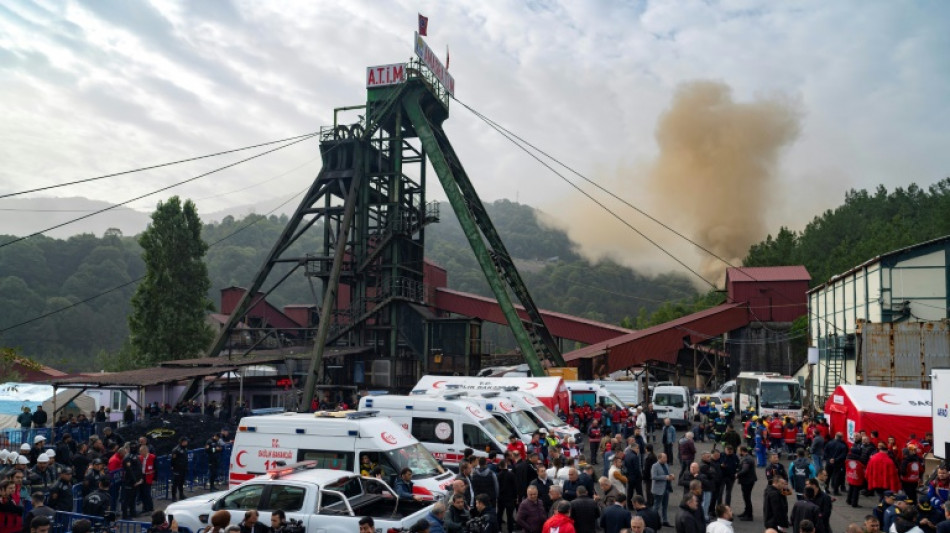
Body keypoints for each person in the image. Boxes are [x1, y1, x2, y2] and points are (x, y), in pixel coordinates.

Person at [651, 452, 675, 527]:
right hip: (658, 490)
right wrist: (665, 477)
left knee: (665, 506)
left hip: (666, 489)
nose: (666, 459)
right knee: (656, 506)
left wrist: (671, 476)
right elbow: (654, 477)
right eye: (664, 458)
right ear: (659, 458)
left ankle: (665, 520)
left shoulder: (666, 465)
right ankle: (653, 521)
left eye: (666, 457)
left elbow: (667, 474)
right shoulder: (655, 466)